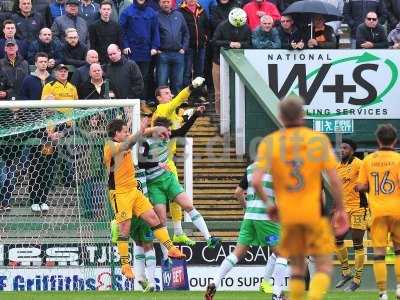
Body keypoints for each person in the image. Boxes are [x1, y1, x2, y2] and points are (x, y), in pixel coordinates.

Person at [252, 96, 348, 300]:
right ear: (303, 116)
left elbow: (257, 181)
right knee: (323, 265)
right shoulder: (317, 140)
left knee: (296, 267)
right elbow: (335, 180)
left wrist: (270, 205)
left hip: (288, 215)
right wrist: (340, 209)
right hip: (313, 213)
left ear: (280, 117)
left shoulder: (270, 142)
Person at [104, 117, 186, 279]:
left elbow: (134, 140)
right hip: (119, 193)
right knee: (125, 227)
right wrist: (140, 129)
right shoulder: (110, 146)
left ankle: (171, 249)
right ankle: (125, 265)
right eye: (125, 131)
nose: (127, 134)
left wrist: (151, 129)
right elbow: (128, 144)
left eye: (128, 131)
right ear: (116, 133)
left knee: (153, 218)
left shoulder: (123, 142)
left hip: (134, 190)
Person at [138, 114, 221, 262]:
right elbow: (141, 164)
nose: (169, 134)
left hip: (168, 179)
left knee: (188, 205)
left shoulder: (166, 136)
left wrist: (196, 114)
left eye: (169, 131)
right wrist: (157, 163)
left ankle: (209, 238)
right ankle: (166, 257)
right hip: (154, 185)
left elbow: (182, 131)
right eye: (165, 132)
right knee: (162, 220)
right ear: (156, 130)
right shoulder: (145, 143)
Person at [205, 163, 288, 300]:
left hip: (249, 217)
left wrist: (247, 207)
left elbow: (237, 192)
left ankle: (214, 281)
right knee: (282, 253)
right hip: (266, 218)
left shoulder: (251, 167)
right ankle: (278, 294)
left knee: (236, 253)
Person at [357, 124, 400, 300]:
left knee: (379, 253)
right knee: (398, 250)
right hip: (398, 210)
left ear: (377, 140)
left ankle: (383, 293)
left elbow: (360, 186)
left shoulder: (368, 160)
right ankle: (399, 288)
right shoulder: (398, 159)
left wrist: (366, 187)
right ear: (395, 140)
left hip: (377, 212)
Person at [334, 139, 368, 292]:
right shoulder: (338, 167)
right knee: (337, 239)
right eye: (340, 148)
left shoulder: (359, 164)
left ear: (352, 150)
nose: (341, 150)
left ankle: (357, 279)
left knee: (357, 242)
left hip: (358, 208)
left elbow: (367, 182)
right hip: (343, 209)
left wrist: (361, 186)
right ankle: (346, 271)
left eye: (345, 148)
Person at [211, 7, 251, 114]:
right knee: (219, 91)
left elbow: (250, 43)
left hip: (239, 63)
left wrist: (241, 44)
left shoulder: (247, 27)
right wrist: (229, 43)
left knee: (238, 90)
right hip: (219, 62)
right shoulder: (222, 26)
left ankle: (238, 112)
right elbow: (214, 41)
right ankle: (219, 113)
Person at [119, 0, 159, 104]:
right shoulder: (127, 12)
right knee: (131, 77)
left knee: (144, 77)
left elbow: (155, 31)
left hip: (147, 52)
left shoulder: (152, 12)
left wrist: (155, 46)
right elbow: (121, 31)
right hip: (132, 52)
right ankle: (131, 102)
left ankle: (143, 102)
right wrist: (125, 45)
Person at [157, 0, 189, 95]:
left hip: (178, 53)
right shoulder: (156, 16)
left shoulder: (179, 15)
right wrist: (157, 48)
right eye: (163, 2)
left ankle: (177, 104)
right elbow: (153, 33)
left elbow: (186, 33)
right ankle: (163, 104)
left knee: (178, 81)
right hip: (163, 54)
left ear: (172, 3)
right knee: (162, 81)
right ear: (159, 3)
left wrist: (184, 48)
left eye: (168, 2)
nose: (166, 4)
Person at [179, 0, 208, 86]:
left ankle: (197, 94)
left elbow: (207, 26)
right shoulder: (180, 11)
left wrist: (206, 37)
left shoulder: (202, 10)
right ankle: (186, 96)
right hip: (187, 47)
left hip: (201, 46)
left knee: (199, 72)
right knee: (186, 72)